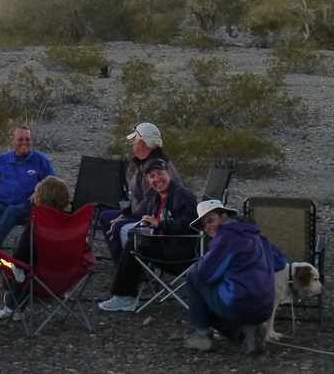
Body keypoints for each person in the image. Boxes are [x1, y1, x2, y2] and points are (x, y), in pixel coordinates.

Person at [184, 200, 286, 354]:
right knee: (206, 304)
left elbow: (203, 275)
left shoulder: (227, 238)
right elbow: (280, 261)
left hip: (240, 305)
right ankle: (246, 336)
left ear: (224, 216)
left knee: (193, 276)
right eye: (203, 225)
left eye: (210, 220)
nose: (207, 227)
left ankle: (202, 336)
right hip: (265, 308)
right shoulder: (257, 237)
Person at [98, 158, 197, 312]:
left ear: (169, 173)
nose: (157, 179)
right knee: (135, 239)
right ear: (148, 180)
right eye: (151, 176)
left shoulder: (181, 194)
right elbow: (153, 221)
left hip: (180, 253)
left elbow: (191, 224)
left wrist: (160, 225)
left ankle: (125, 297)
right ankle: (126, 293)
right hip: (166, 245)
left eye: (160, 174)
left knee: (134, 245)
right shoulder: (156, 197)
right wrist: (143, 226)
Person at [97, 122, 182, 262]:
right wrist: (125, 213)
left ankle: (129, 265)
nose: (133, 144)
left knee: (116, 224)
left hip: (158, 218)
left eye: (135, 140)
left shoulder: (154, 167)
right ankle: (123, 261)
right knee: (107, 217)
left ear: (141, 143)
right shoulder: (148, 162)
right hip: (147, 213)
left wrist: (126, 216)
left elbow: (149, 202)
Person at [0, 176, 72, 320]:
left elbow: (21, 257)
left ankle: (14, 307)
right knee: (23, 254)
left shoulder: (37, 226)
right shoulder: (72, 222)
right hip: (68, 275)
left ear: (40, 198)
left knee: (21, 267)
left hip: (39, 277)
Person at [0, 125, 56, 246]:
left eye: (28, 139)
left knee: (12, 211)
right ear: (12, 141)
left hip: (28, 206)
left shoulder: (40, 160)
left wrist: (40, 193)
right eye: (20, 139)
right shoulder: (1, 160)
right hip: (1, 203)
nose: (25, 142)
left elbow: (53, 184)